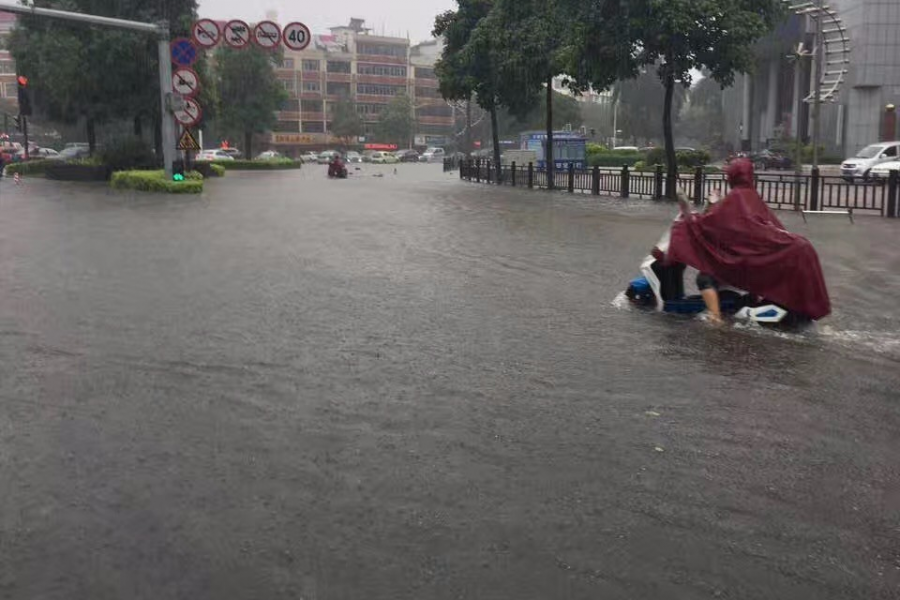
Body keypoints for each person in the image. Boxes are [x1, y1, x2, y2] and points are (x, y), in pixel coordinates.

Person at [666, 158, 831, 322]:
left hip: (745, 260)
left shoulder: (735, 199)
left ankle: (715, 318)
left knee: (704, 277)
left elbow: (709, 224)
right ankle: (751, 302)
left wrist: (690, 218)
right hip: (774, 256)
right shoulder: (753, 198)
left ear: (732, 176)